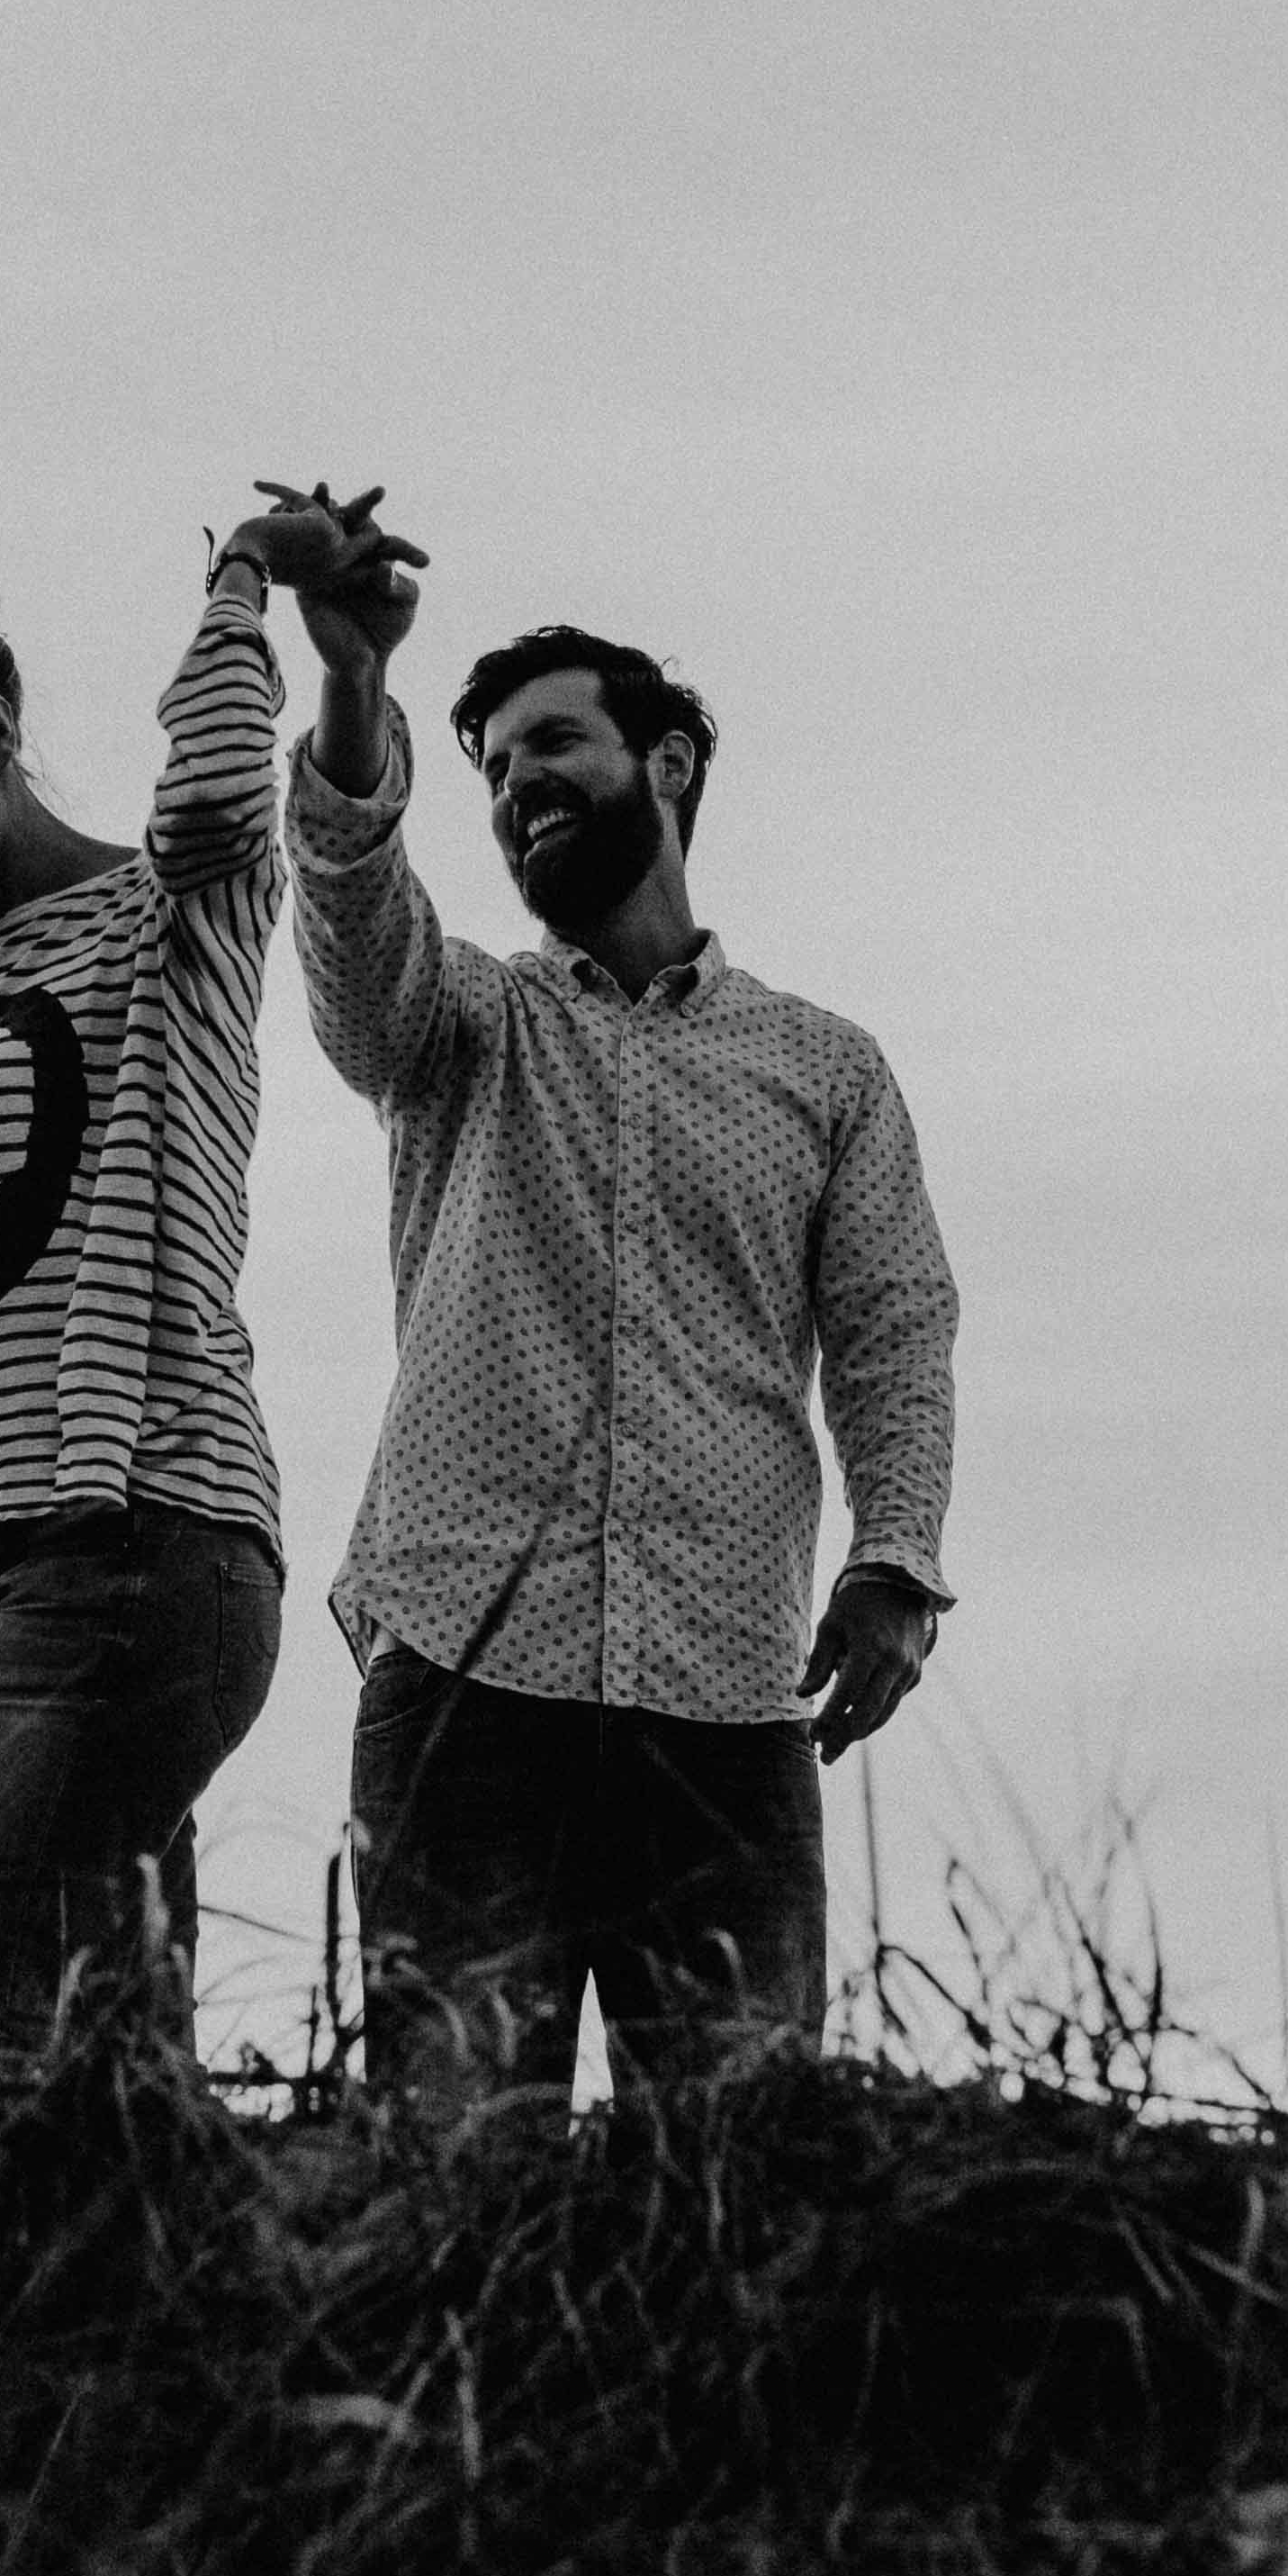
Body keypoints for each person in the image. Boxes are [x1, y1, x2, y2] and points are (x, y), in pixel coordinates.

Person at [285, 554, 961, 2107]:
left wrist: (895, 1562)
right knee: (451, 2180)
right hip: (465, 1680)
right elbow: (350, 941)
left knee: (737, 2195)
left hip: (725, 1704)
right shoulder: (464, 1022)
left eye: (554, 745)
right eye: (498, 767)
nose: (521, 784)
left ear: (666, 766)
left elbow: (892, 1326)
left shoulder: (826, 1070)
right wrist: (350, 686)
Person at [0, 499, 407, 2065]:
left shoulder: (170, 918)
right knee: (95, 2079)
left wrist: (245, 576)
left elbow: (211, 792)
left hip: (144, 1546)